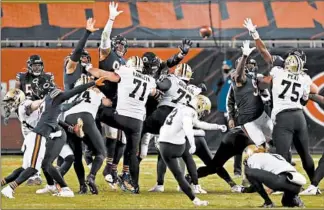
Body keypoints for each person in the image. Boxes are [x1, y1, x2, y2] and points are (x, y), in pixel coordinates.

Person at [158, 95, 225, 206]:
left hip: (163, 146)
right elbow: (188, 128)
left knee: (179, 175)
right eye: (203, 109)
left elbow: (199, 124)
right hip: (176, 146)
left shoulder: (180, 108)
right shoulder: (189, 112)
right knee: (188, 158)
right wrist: (193, 144)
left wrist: (217, 126)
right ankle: (195, 186)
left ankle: (195, 198)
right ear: (199, 105)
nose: (202, 113)